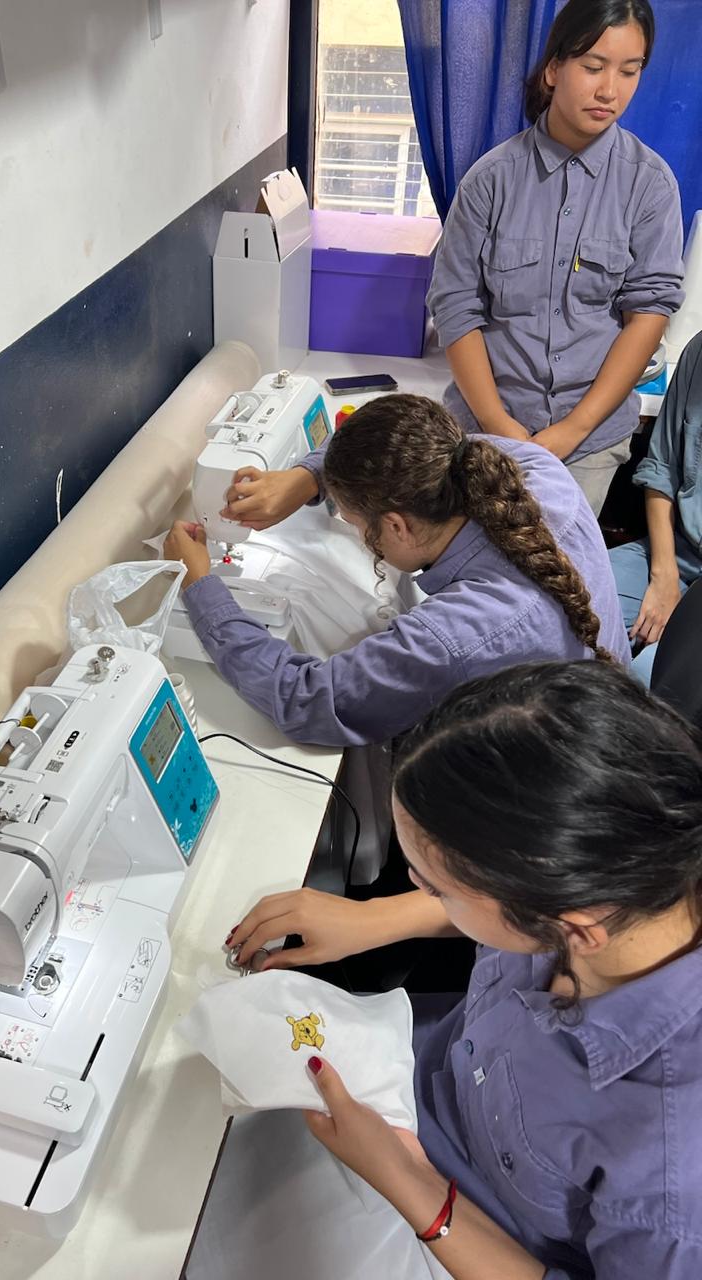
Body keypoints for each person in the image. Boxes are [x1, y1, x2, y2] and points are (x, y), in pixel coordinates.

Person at [187, 662, 702, 1280]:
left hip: (464, 1230)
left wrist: (412, 1185)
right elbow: (501, 912)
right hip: (428, 1088)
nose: (418, 890)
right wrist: (374, 918)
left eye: (437, 887)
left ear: (567, 924)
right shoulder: (630, 877)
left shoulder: (672, 1178)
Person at [164, 394, 628, 749]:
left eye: (354, 522)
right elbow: (406, 441)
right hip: (614, 715)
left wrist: (201, 586)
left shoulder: (451, 639)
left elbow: (304, 699)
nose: (354, 530)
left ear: (397, 526)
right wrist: (308, 477)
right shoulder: (533, 468)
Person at [426, 0, 684, 516]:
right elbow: (456, 307)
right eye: (593, 66)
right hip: (484, 430)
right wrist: (499, 426)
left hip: (589, 444)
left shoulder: (650, 184)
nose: (609, 90)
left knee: (556, 565)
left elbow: (649, 312)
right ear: (553, 70)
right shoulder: (490, 180)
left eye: (629, 71)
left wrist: (574, 429)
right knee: (468, 561)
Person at [610, 329, 702, 683]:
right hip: (679, 551)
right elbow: (661, 468)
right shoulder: (698, 351)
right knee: (561, 607)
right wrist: (664, 576)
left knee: (649, 676)